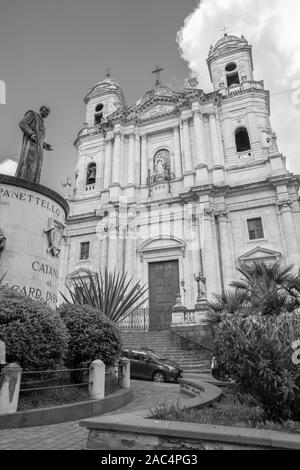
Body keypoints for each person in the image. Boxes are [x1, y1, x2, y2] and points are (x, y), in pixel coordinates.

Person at [15, 105, 53, 183]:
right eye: (46, 112)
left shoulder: (43, 124)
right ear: (42, 110)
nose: (46, 115)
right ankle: (22, 183)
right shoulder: (32, 114)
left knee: (35, 169)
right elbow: (22, 123)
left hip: (38, 152)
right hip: (30, 148)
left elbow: (39, 139)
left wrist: (45, 145)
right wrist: (31, 133)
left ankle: (32, 185)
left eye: (48, 114)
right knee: (27, 166)